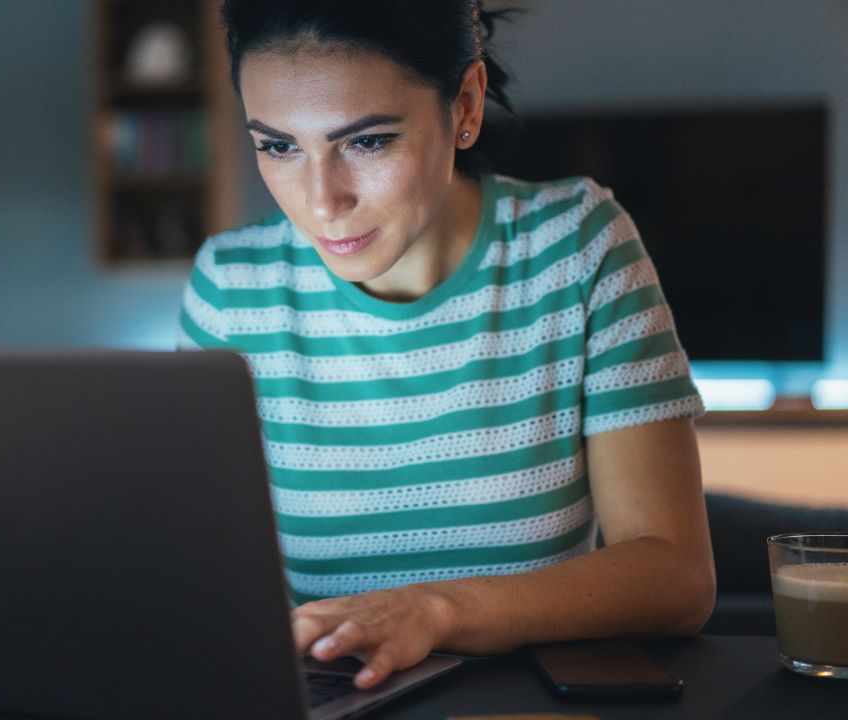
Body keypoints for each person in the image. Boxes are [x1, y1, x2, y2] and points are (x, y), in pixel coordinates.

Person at [177, 0, 715, 691]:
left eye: (366, 141)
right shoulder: (231, 289)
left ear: (465, 104)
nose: (320, 200)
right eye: (279, 146)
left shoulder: (579, 246)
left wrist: (434, 611)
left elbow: (676, 576)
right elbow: (200, 583)